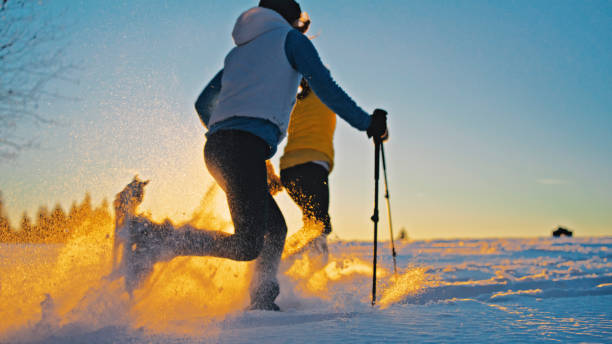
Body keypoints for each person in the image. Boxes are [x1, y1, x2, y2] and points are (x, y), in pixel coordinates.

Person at [130, 0, 388, 311]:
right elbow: (325, 87)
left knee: (274, 229)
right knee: (248, 243)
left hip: (220, 148)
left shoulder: (239, 52)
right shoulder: (291, 41)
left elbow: (203, 103)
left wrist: (230, 130)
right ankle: (158, 239)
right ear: (291, 19)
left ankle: (262, 298)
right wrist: (368, 123)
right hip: (241, 148)